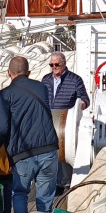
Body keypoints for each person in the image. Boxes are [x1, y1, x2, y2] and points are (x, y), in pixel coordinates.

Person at [0, 56, 59, 213]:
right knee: (44, 201)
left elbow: (1, 129)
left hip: (23, 153)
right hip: (48, 150)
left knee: (20, 193)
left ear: (9, 73)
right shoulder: (42, 88)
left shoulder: (5, 94)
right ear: (28, 73)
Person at [41, 52, 90, 189]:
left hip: (66, 123)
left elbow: (85, 99)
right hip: (48, 120)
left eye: (57, 64)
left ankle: (66, 183)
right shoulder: (45, 79)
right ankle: (53, 183)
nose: (54, 67)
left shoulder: (75, 80)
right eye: (51, 65)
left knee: (64, 152)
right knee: (49, 152)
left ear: (64, 64)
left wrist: (79, 106)